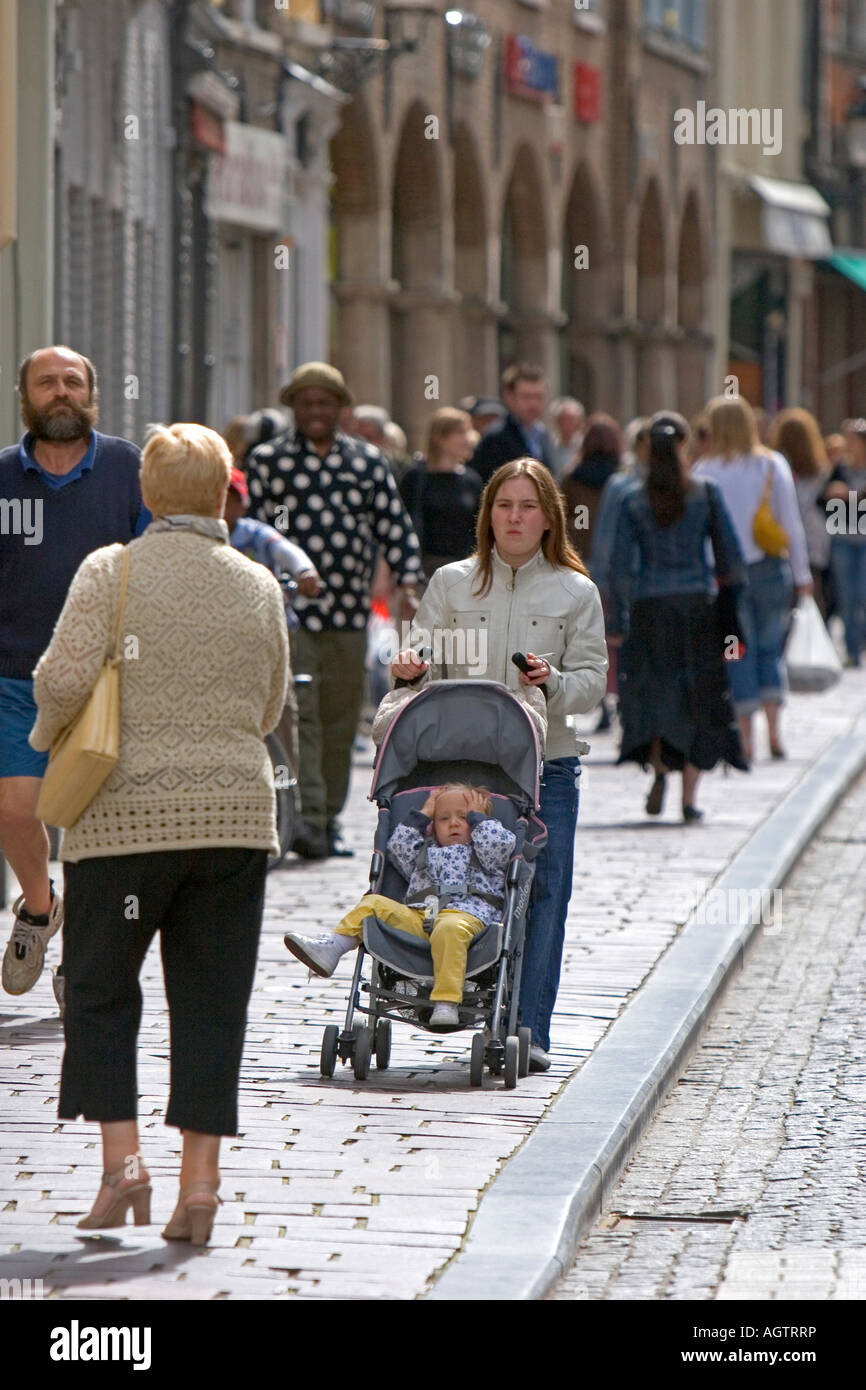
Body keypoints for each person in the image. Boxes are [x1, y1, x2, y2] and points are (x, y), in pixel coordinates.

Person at [28, 423, 289, 1244]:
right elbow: (273, 704)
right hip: (236, 825)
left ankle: (124, 1171)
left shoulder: (111, 571)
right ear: (223, 495)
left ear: (146, 494)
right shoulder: (259, 584)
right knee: (213, 1003)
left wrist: (46, 736)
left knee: (103, 993)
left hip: (125, 827)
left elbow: (60, 681)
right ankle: (201, 1187)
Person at [389, 457, 608, 1071]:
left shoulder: (575, 590)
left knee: (544, 892)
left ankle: (527, 1027)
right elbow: (420, 653)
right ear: (488, 515)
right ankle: (456, 992)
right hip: (466, 769)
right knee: (461, 879)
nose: (514, 517)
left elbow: (593, 682)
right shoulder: (452, 583)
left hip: (549, 765)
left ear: (548, 520)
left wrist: (553, 680)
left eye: (528, 507)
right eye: (504, 505)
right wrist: (411, 667)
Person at [0, 345, 149, 1005]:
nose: (59, 392)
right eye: (46, 382)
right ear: (24, 394)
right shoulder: (2, 477)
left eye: (72, 382)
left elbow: (152, 564)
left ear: (90, 393)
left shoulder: (128, 469)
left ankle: (85, 957)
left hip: (104, 682)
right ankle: (39, 907)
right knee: (15, 809)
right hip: (14, 679)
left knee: (94, 827)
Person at [245, 362, 423, 860]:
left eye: (325, 403)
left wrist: (409, 582)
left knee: (342, 721)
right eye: (307, 403)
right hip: (290, 614)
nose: (316, 412)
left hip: (348, 613)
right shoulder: (267, 461)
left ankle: (327, 820)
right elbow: (252, 531)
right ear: (294, 408)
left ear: (339, 408)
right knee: (300, 716)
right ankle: (305, 817)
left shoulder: (368, 461)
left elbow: (394, 525)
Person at [608, 413, 749, 822]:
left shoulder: (632, 497)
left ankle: (658, 769)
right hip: (697, 608)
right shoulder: (705, 492)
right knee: (700, 701)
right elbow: (731, 560)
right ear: (685, 444)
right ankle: (688, 800)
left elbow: (618, 568)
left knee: (654, 696)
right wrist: (731, 610)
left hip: (650, 610)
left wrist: (617, 618)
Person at [283, 784, 516, 1027]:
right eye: (443, 818)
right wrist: (423, 814)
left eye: (464, 817)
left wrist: (479, 819)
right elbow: (398, 847)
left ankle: (446, 1002)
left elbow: (500, 848)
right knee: (372, 903)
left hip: (466, 918)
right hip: (420, 918)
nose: (454, 823)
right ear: (433, 826)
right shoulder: (426, 851)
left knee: (449, 929)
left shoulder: (484, 852)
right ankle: (334, 946)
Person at [694, 396, 812, 760]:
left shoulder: (704, 470)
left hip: (726, 574)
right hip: (769, 569)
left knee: (737, 651)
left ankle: (746, 738)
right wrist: (802, 574)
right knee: (769, 647)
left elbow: (700, 532)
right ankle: (774, 731)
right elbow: (790, 523)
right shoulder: (772, 465)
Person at [224, 466, 319, 770]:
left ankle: (286, 778)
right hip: (223, 634)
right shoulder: (203, 536)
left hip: (268, 632)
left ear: (243, 503)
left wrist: (304, 571)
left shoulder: (255, 534)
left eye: (231, 499)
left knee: (283, 707)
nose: (224, 507)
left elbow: (285, 550)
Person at [399, 407, 483, 579]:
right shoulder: (415, 477)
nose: (469, 439)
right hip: (425, 572)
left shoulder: (471, 480)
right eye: (460, 432)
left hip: (465, 571)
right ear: (440, 438)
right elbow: (401, 525)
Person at [772, 409, 832, 619]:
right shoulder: (823, 473)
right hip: (815, 545)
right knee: (814, 607)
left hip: (780, 546)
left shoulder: (775, 469)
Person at [823, 417, 866, 665]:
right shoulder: (839, 468)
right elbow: (823, 499)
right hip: (841, 537)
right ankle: (852, 651)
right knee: (846, 597)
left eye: (852, 439)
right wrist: (830, 493)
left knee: (862, 594)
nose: (848, 444)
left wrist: (849, 495)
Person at [471, 364, 555, 485]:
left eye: (538, 397)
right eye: (526, 397)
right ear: (510, 397)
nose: (533, 404)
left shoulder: (543, 434)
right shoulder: (496, 437)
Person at [561, 412, 623, 561]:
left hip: (579, 552)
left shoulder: (572, 478)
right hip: (615, 553)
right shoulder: (623, 479)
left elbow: (562, 516)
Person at [549, 396, 585, 480]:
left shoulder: (584, 446)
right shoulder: (550, 445)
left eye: (573, 419)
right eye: (565, 419)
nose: (569, 424)